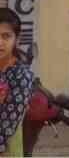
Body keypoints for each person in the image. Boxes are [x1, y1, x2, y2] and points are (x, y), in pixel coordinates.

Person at [0, 8, 34, 156]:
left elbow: (6, 127)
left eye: (6, 36)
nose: (0, 42)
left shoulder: (21, 76)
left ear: (17, 39)